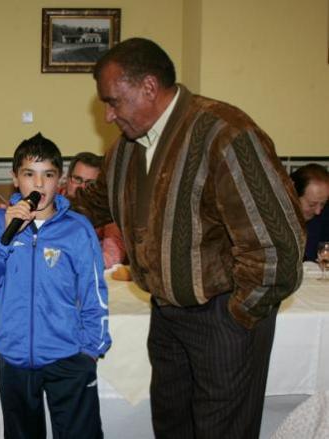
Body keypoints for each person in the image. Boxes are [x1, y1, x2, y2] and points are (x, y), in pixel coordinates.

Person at [74, 38, 305, 438]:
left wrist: (238, 317)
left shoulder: (225, 134)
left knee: (221, 431)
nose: (108, 116)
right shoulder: (126, 150)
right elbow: (95, 204)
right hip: (167, 317)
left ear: (149, 87)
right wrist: (37, 213)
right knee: (172, 425)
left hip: (223, 318)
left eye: (113, 101)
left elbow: (278, 247)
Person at [0, 133, 110, 438]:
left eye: (48, 175)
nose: (39, 185)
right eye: (29, 174)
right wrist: (5, 236)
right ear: (15, 179)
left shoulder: (77, 229)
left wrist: (90, 352)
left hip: (69, 356)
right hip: (15, 357)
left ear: (60, 180)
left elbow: (94, 293)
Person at [62, 152, 126, 268]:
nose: (82, 187)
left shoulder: (106, 211)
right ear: (67, 179)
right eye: (77, 179)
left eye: (90, 183)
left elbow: (113, 256)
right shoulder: (49, 201)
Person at [290, 164, 329, 261]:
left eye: (323, 204)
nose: (318, 211)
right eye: (312, 204)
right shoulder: (273, 218)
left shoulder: (325, 215)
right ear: (293, 195)